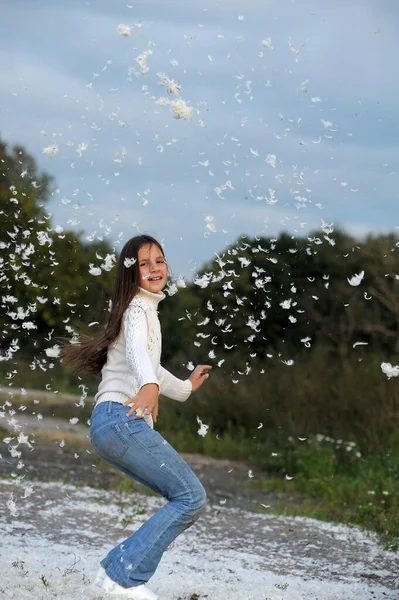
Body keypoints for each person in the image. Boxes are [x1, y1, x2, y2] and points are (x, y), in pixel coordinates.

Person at [62, 234, 212, 600]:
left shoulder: (145, 312)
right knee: (191, 496)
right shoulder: (136, 310)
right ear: (131, 274)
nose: (155, 268)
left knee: (186, 495)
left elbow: (150, 366)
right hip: (120, 419)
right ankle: (123, 576)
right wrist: (147, 385)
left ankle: (111, 573)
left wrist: (184, 388)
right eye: (144, 264)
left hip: (110, 424)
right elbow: (138, 358)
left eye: (159, 261)